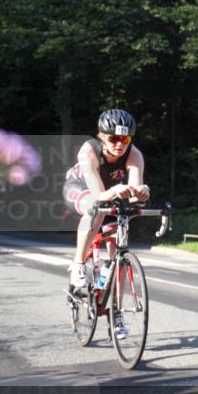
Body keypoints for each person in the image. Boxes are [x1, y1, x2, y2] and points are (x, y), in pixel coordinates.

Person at [64, 109, 149, 338]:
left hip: (111, 194)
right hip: (81, 190)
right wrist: (116, 191)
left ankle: (116, 314)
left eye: (125, 139)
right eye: (113, 138)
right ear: (101, 136)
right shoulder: (88, 150)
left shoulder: (135, 155)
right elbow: (99, 194)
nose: (120, 144)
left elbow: (132, 192)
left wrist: (141, 192)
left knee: (118, 252)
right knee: (97, 210)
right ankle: (79, 264)